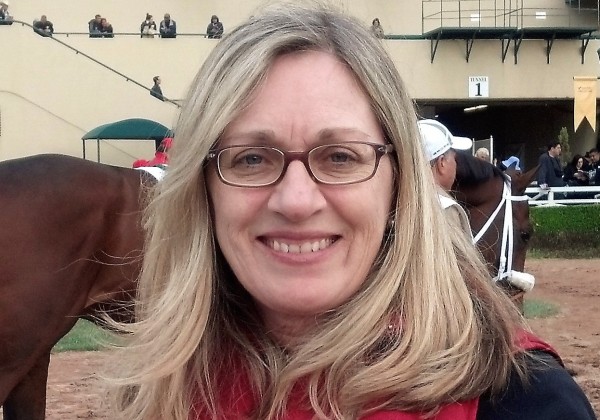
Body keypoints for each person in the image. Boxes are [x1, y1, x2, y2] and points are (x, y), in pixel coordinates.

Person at [107, 4, 596, 419]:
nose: (296, 201)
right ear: (203, 188)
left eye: (341, 157)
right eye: (251, 159)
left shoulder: (524, 401)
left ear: (398, 184)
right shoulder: (154, 392)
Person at [419, 119, 473, 238]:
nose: (456, 165)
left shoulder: (396, 202)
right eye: (454, 159)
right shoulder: (444, 209)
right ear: (442, 162)